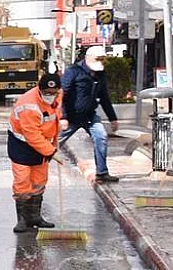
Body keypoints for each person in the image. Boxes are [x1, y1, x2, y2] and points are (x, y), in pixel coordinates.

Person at [9, 74, 64, 233]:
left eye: (53, 92)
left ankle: (35, 216)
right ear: (39, 90)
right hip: (21, 145)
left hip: (43, 144)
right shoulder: (28, 105)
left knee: (39, 181)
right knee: (22, 181)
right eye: (46, 92)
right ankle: (22, 219)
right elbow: (32, 135)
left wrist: (54, 140)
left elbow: (54, 117)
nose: (50, 95)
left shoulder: (58, 96)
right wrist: (52, 152)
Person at [61, 45, 119, 183]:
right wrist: (62, 116)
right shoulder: (73, 72)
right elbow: (61, 94)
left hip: (89, 116)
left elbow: (105, 98)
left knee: (101, 136)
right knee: (52, 143)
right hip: (71, 116)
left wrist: (113, 118)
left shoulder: (101, 74)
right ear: (87, 59)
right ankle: (36, 169)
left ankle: (102, 172)